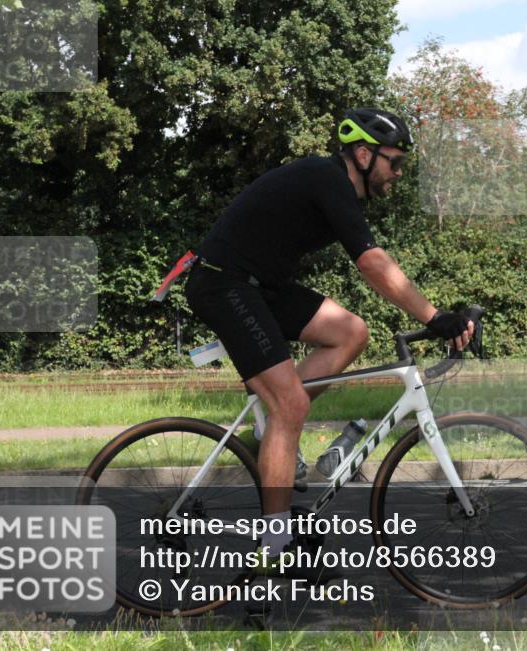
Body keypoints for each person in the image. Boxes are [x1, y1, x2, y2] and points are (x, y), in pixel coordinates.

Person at [184, 108, 474, 574]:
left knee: (351, 332)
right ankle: (274, 548)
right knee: (291, 407)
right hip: (225, 283)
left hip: (260, 286)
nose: (397, 174)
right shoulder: (328, 178)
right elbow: (372, 262)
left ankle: (273, 425)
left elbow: (372, 263)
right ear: (363, 154)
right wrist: (434, 315)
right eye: (393, 162)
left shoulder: (340, 190)